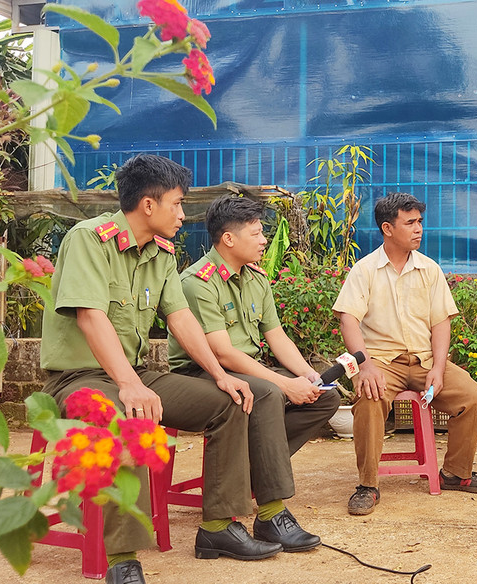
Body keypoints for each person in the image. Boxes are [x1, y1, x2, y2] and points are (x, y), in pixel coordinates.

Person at [40, 155, 299, 584]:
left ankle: (218, 528)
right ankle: (122, 557)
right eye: (177, 204)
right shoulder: (89, 239)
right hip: (79, 378)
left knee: (232, 401)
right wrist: (127, 384)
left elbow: (180, 318)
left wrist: (220, 374)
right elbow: (90, 316)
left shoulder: (160, 252)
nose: (182, 214)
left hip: (135, 373)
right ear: (147, 205)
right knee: (130, 413)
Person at [168, 194, 338, 530]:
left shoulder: (256, 278)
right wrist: (286, 384)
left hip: (248, 369)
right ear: (229, 239)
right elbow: (222, 352)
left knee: (326, 397)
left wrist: (308, 376)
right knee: (269, 393)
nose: (264, 241)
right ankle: (271, 513)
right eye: (257, 233)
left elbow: (276, 337)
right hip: (202, 373)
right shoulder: (198, 282)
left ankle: (251, 467)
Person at [332, 192, 477, 516]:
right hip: (380, 361)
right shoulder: (364, 270)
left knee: (475, 400)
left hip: (424, 360)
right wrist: (364, 366)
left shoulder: (430, 269)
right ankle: (367, 485)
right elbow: (347, 319)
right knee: (368, 399)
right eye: (410, 222)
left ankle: (455, 473)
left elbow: (440, 323)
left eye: (420, 221)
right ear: (387, 228)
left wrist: (438, 366)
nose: (419, 228)